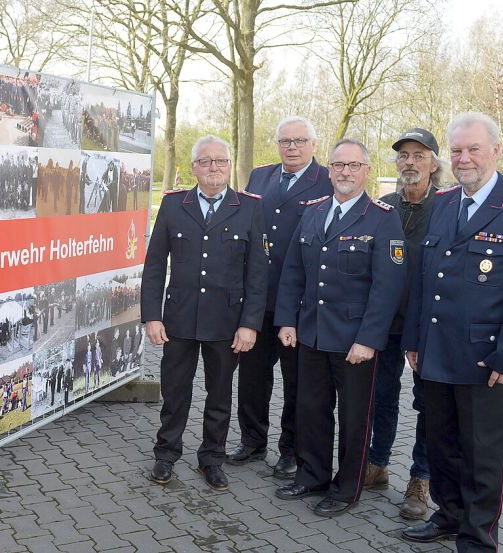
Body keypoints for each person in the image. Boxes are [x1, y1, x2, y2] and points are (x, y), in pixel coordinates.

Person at [401, 112, 503, 550]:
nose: (464, 158)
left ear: (495, 150)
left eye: (473, 148)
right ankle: (449, 515)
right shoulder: (445, 202)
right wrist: (414, 340)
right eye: (456, 150)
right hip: (436, 356)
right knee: (442, 447)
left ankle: (477, 535)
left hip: (487, 361)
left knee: (484, 458)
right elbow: (424, 279)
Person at [273, 139, 405, 516]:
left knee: (353, 418)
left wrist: (369, 339)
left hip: (353, 341)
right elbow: (294, 271)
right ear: (328, 170)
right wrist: (286, 320)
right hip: (311, 333)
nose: (345, 172)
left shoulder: (382, 217)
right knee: (310, 410)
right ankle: (312, 475)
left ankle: (346, 488)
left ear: (366, 171)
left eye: (353, 166)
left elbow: (388, 286)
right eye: (338, 165)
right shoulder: (313, 211)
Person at [141, 135, 267, 490]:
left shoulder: (249, 207)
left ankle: (212, 458)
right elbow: (154, 265)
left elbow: (257, 273)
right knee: (175, 392)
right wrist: (152, 315)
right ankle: (166, 454)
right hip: (178, 319)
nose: (214, 167)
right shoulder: (172, 205)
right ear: (194, 167)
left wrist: (250, 325)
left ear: (229, 166)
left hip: (227, 322)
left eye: (221, 161)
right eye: (206, 161)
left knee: (219, 395)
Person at [233, 116, 334, 477]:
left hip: (299, 302)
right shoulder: (261, 176)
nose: (291, 147)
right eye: (285, 141)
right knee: (253, 376)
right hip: (259, 298)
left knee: (297, 382)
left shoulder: (327, 179)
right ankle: (252, 440)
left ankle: (291, 449)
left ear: (313, 144)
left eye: (299, 141)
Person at [362, 128, 443, 520]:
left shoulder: (446, 208)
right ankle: (376, 464)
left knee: (427, 403)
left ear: (434, 163)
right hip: (387, 324)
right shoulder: (384, 207)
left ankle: (420, 481)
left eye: (418, 155)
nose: (409, 161)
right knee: (381, 395)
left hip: (429, 328)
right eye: (403, 155)